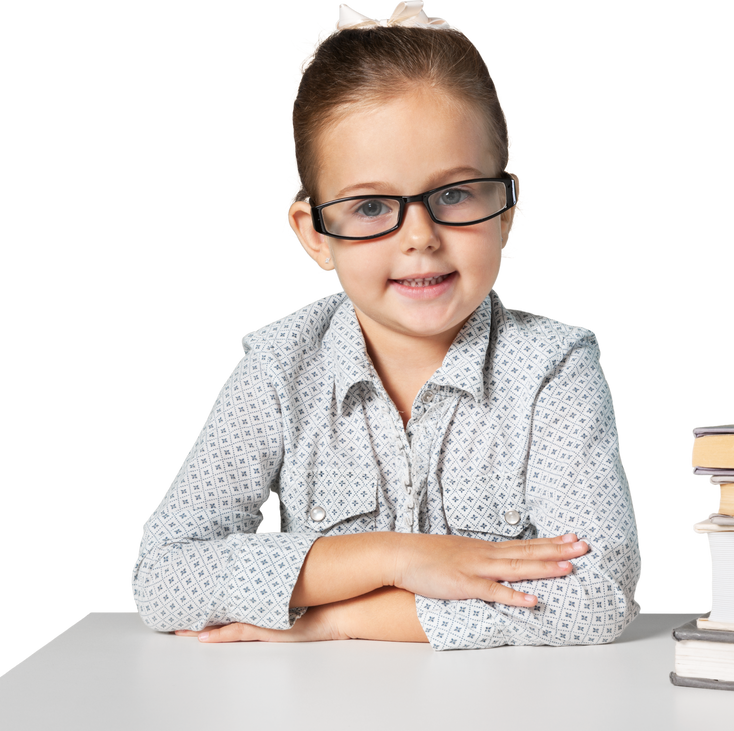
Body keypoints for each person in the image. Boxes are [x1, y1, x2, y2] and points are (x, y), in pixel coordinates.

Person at [129, 0, 643, 651]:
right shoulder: (276, 365)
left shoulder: (555, 365)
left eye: (454, 193)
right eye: (372, 205)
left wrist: (335, 617)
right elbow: (162, 576)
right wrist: (396, 557)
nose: (420, 237)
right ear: (314, 236)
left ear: (506, 204)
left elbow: (599, 593)